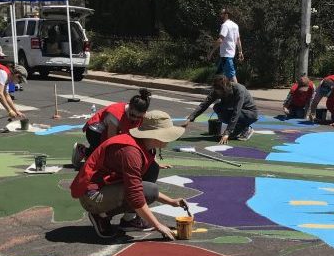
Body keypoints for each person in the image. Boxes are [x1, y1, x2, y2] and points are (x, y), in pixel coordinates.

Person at [71, 110, 189, 240]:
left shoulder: (145, 146)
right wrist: (157, 225)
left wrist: (171, 202)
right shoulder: (131, 152)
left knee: (152, 170)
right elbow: (136, 194)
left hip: (106, 186)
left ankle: (129, 220)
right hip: (92, 195)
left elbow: (138, 187)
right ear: (156, 136)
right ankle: (100, 214)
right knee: (149, 190)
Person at [73, 88, 152, 165]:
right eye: (132, 115)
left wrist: (150, 161)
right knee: (107, 154)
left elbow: (142, 139)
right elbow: (112, 139)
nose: (135, 119)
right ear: (130, 106)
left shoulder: (143, 116)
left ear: (144, 113)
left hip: (109, 130)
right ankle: (83, 150)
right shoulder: (116, 114)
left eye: (139, 117)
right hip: (95, 132)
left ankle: (91, 152)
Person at [185, 75, 258, 143]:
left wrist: (227, 132)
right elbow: (204, 104)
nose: (218, 93)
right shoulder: (217, 90)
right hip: (236, 112)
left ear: (225, 88)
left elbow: (237, 112)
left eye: (220, 91)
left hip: (250, 114)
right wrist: (191, 117)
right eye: (216, 91)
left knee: (232, 115)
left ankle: (246, 128)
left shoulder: (239, 90)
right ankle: (237, 129)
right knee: (217, 107)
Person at [206, 8, 244, 83]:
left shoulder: (225, 25)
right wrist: (240, 52)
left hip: (226, 55)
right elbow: (238, 40)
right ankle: (218, 92)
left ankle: (237, 93)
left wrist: (211, 52)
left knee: (232, 76)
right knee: (218, 76)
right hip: (229, 55)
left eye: (221, 14)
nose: (220, 15)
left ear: (226, 15)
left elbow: (220, 40)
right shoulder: (235, 25)